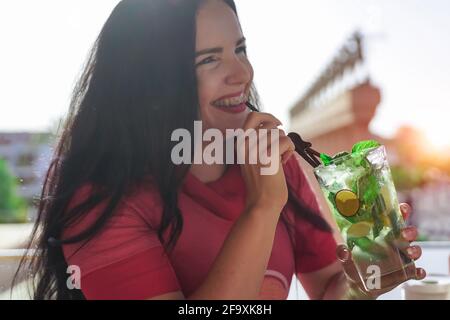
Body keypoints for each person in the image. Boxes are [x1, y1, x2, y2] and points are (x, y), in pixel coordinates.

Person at [15, 0, 425, 300]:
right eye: (209, 60)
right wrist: (262, 209)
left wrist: (368, 279)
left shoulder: (274, 166)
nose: (242, 73)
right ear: (152, 87)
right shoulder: (99, 197)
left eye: (240, 49)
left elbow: (328, 288)